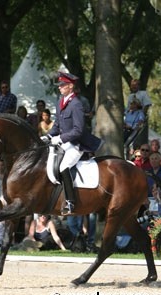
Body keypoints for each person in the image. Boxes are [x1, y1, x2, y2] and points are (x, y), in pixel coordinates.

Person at [42, 71, 102, 214]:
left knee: (63, 167)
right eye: (59, 85)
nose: (59, 87)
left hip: (76, 144)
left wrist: (60, 139)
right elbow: (57, 125)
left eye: (62, 85)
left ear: (70, 86)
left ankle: (70, 201)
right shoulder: (60, 102)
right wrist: (48, 137)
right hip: (64, 143)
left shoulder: (76, 104)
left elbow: (78, 130)